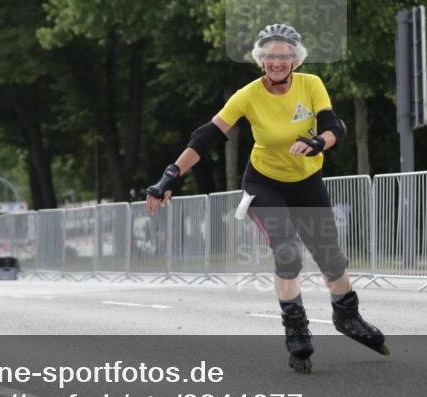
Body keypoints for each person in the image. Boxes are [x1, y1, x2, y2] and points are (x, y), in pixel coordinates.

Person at [146, 24, 387, 373]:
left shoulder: (311, 84)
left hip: (306, 181)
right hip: (264, 184)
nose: (277, 62)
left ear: (295, 58)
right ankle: (296, 329)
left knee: (331, 258)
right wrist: (170, 176)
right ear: (261, 60)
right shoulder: (247, 95)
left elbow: (335, 126)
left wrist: (320, 142)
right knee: (287, 251)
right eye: (270, 56)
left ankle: (347, 316)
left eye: (284, 55)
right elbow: (206, 136)